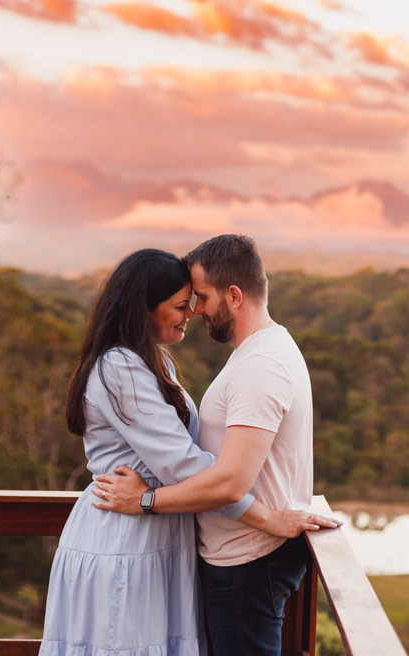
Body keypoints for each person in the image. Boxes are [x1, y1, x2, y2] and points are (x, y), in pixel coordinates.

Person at [40, 248, 335, 656]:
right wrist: (266, 516)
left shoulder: (155, 360)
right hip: (126, 536)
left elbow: (192, 465)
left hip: (158, 532)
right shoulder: (120, 368)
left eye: (196, 300)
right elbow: (185, 464)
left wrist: (153, 499)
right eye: (181, 304)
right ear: (143, 309)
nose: (192, 313)